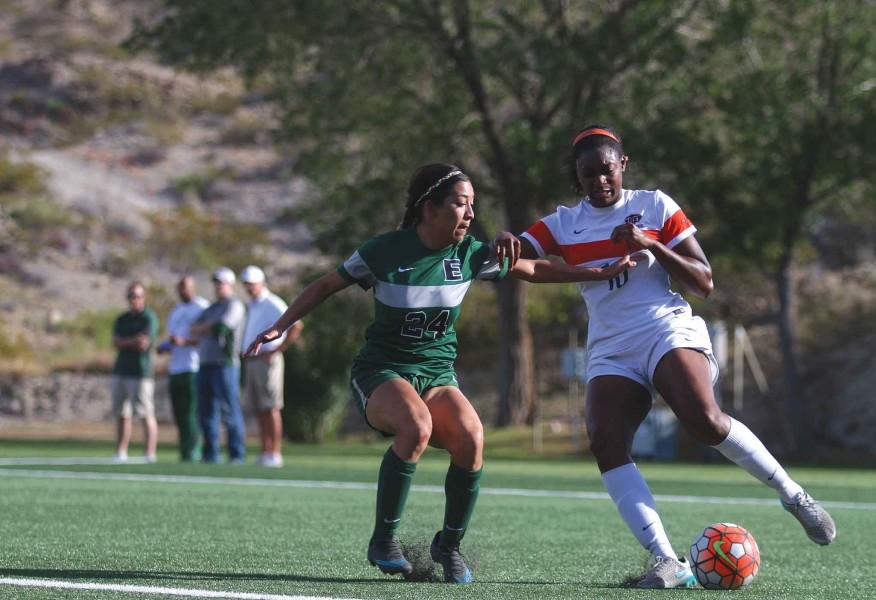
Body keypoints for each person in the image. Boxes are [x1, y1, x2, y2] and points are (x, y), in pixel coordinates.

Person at [245, 163, 638, 584]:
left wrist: (595, 273)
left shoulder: (470, 254)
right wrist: (279, 324)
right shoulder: (384, 251)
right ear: (429, 208)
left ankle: (448, 546)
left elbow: (536, 270)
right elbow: (325, 285)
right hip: (382, 370)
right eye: (460, 204)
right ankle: (384, 540)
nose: (470, 214)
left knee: (472, 438)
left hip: (435, 374)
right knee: (415, 427)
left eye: (473, 205)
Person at [503, 125, 837, 588]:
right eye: (588, 174)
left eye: (607, 170)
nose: (600, 181)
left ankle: (794, 495)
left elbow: (703, 281)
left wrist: (651, 244)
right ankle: (668, 561)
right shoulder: (561, 223)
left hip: (666, 328)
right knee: (605, 440)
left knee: (704, 420)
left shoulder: (656, 205)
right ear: (576, 177)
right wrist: (504, 243)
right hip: (610, 347)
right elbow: (521, 260)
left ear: (624, 165)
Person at [240, 265, 302, 467]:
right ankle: (265, 451)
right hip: (252, 361)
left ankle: (275, 453)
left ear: (261, 283)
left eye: (252, 284)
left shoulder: (271, 302)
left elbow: (297, 325)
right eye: (247, 284)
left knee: (271, 407)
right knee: (260, 408)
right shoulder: (253, 304)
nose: (249, 288)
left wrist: (277, 349)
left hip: (268, 361)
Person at [191, 267, 247, 464]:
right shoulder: (212, 308)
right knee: (207, 412)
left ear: (230, 285)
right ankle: (211, 454)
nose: (218, 287)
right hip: (206, 363)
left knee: (230, 410)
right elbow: (194, 328)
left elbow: (221, 328)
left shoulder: (235, 305)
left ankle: (236, 454)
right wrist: (208, 326)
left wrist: (207, 327)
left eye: (221, 283)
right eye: (216, 283)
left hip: (225, 364)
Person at [157, 276, 209, 462]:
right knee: (179, 413)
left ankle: (195, 451)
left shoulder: (202, 308)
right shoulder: (176, 311)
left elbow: (206, 338)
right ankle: (184, 451)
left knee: (191, 413)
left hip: (192, 367)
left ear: (193, 288)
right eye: (180, 289)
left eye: (185, 288)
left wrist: (184, 341)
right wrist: (165, 346)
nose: (182, 292)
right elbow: (173, 338)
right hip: (176, 368)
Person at [111, 281, 159, 462]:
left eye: (137, 296)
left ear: (143, 297)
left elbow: (143, 343)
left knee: (146, 413)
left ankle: (149, 453)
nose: (134, 300)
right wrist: (131, 341)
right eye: (131, 296)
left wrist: (126, 342)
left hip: (140, 372)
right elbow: (116, 341)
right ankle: (121, 451)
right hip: (121, 369)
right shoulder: (122, 319)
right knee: (122, 413)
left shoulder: (148, 318)